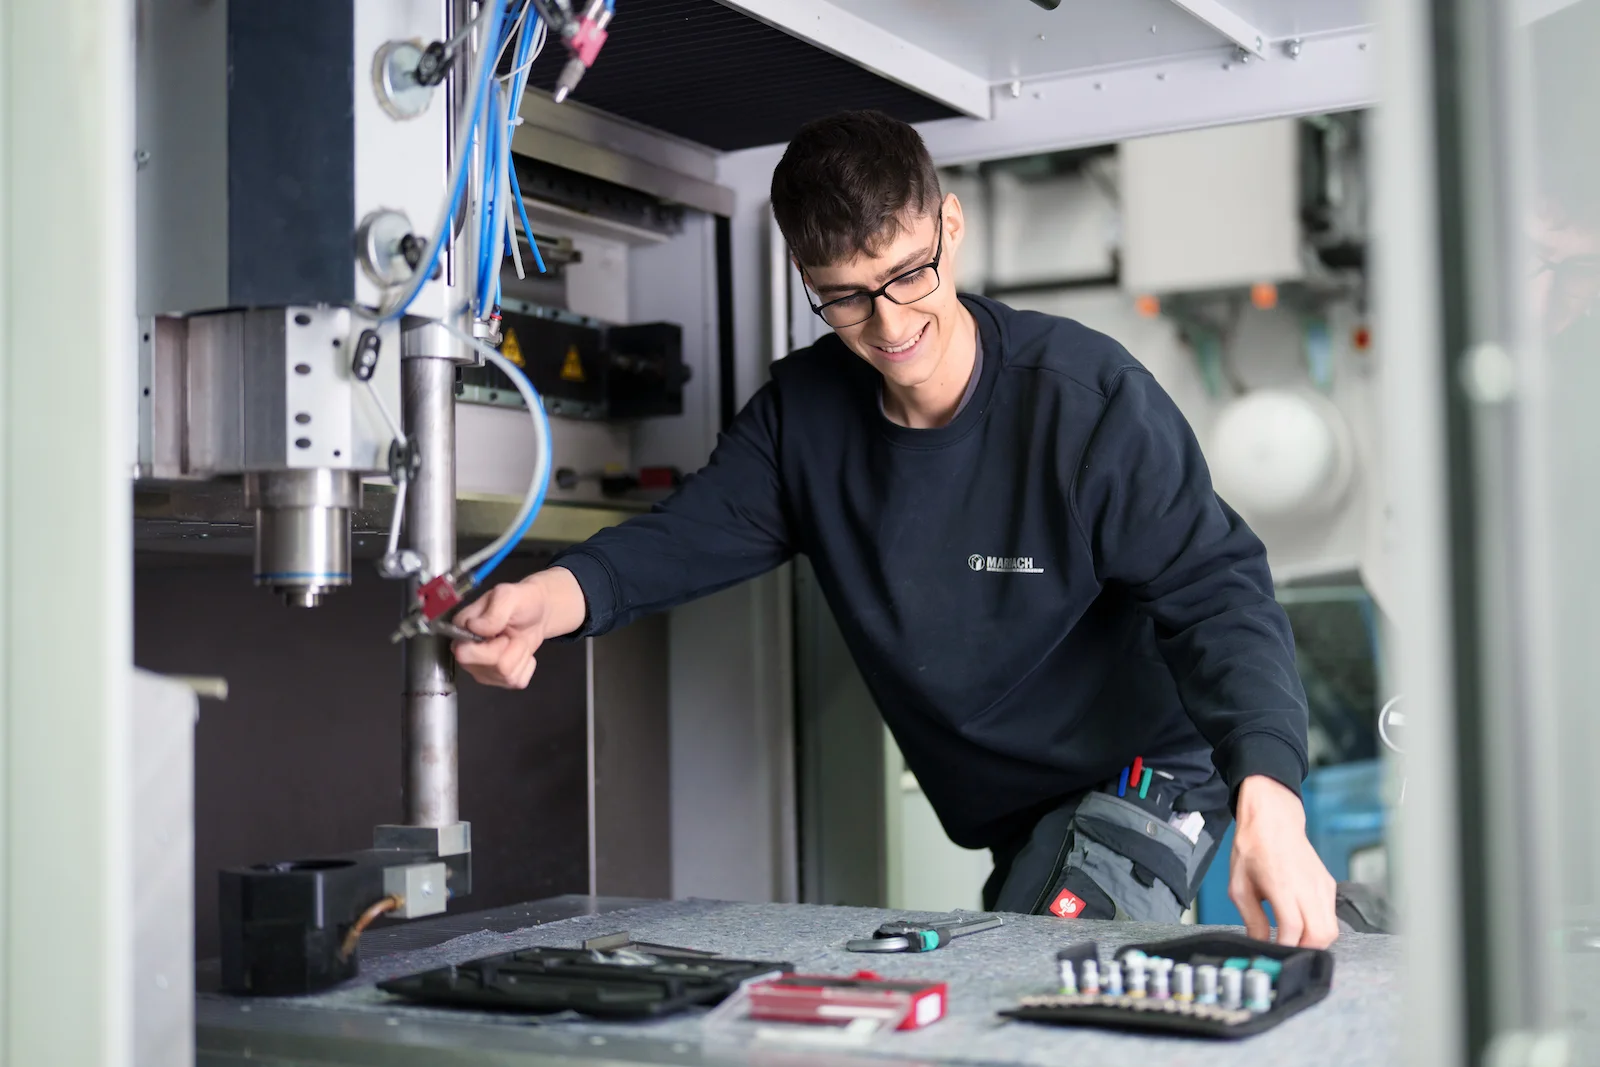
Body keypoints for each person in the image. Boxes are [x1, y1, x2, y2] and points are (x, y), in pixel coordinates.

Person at [454, 110, 1338, 948]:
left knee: (1029, 989)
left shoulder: (1083, 401)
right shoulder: (804, 421)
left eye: (909, 273)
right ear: (806, 276)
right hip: (1016, 810)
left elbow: (1217, 592)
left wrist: (1270, 791)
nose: (890, 322)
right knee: (1007, 974)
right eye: (843, 298)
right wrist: (547, 600)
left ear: (950, 227)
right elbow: (688, 534)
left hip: (1150, 776)